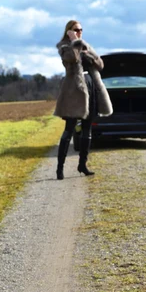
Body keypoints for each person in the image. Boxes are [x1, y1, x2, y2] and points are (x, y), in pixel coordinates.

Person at [54, 20, 113, 180]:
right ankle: (60, 169)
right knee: (69, 129)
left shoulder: (85, 45)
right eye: (76, 30)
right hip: (75, 91)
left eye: (81, 30)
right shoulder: (64, 46)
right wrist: (74, 42)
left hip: (91, 87)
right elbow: (72, 58)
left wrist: (87, 52)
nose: (79, 32)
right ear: (69, 31)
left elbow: (100, 64)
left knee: (88, 129)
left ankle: (83, 165)